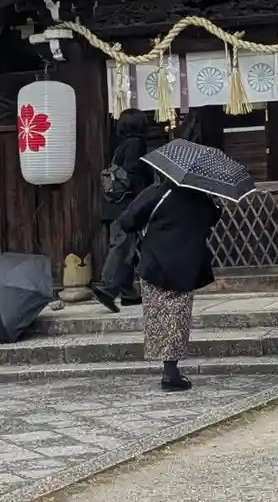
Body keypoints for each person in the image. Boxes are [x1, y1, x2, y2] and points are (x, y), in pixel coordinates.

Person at [105, 177, 222, 391]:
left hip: (155, 262)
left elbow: (127, 221)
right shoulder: (201, 197)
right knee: (178, 316)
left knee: (158, 315)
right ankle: (170, 370)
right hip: (186, 265)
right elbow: (213, 218)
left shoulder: (158, 192)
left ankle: (168, 369)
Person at [91, 113, 155, 311]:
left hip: (115, 206)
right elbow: (134, 176)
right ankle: (107, 287)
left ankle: (128, 293)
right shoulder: (136, 145)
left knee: (126, 247)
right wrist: (147, 198)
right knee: (122, 247)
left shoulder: (120, 146)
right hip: (127, 206)